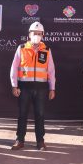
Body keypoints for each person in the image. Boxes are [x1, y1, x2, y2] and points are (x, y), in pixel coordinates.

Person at [10, 21, 56, 151]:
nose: (36, 35)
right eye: (34, 33)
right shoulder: (22, 48)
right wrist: (14, 85)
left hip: (41, 88)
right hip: (24, 87)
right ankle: (20, 140)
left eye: (39, 33)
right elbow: (14, 67)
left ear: (43, 35)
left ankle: (40, 142)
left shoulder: (47, 50)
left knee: (40, 114)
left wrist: (52, 88)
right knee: (22, 114)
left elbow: (51, 70)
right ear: (29, 34)